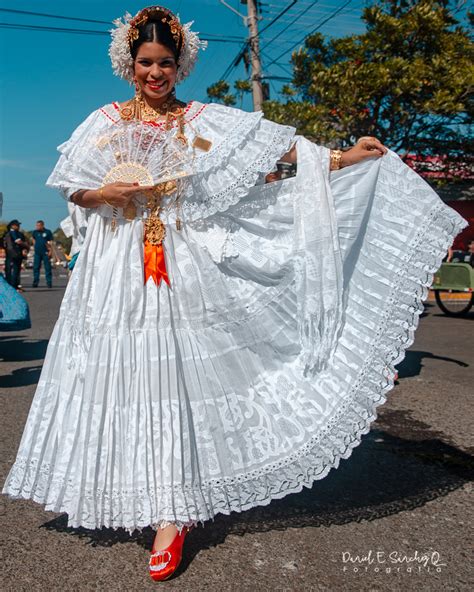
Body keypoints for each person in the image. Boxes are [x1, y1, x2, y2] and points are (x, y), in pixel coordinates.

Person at [2, 5, 468, 582]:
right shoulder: (102, 120)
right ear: (129, 62)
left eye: (165, 63)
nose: (155, 73)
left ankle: (172, 512)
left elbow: (272, 147)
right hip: (115, 267)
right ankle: (128, 489)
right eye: (145, 62)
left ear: (180, 65)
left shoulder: (199, 119)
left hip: (183, 262)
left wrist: (340, 159)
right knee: (121, 372)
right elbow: (75, 189)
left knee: (176, 373)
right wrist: (105, 193)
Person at [4, 219, 28, 291]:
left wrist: (24, 248)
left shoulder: (17, 233)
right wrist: (26, 246)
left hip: (15, 254)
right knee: (13, 271)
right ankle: (13, 286)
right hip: (12, 255)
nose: (18, 226)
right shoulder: (11, 233)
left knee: (15, 271)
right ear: (12, 226)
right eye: (17, 225)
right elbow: (19, 242)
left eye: (18, 225)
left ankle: (14, 286)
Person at [31, 220, 54, 288]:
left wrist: (50, 251)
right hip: (37, 253)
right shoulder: (35, 232)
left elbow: (51, 242)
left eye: (38, 225)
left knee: (47, 268)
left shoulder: (48, 232)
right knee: (36, 268)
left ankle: (49, 282)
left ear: (42, 225)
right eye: (36, 225)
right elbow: (33, 239)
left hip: (46, 253)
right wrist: (34, 245)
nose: (37, 227)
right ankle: (35, 282)